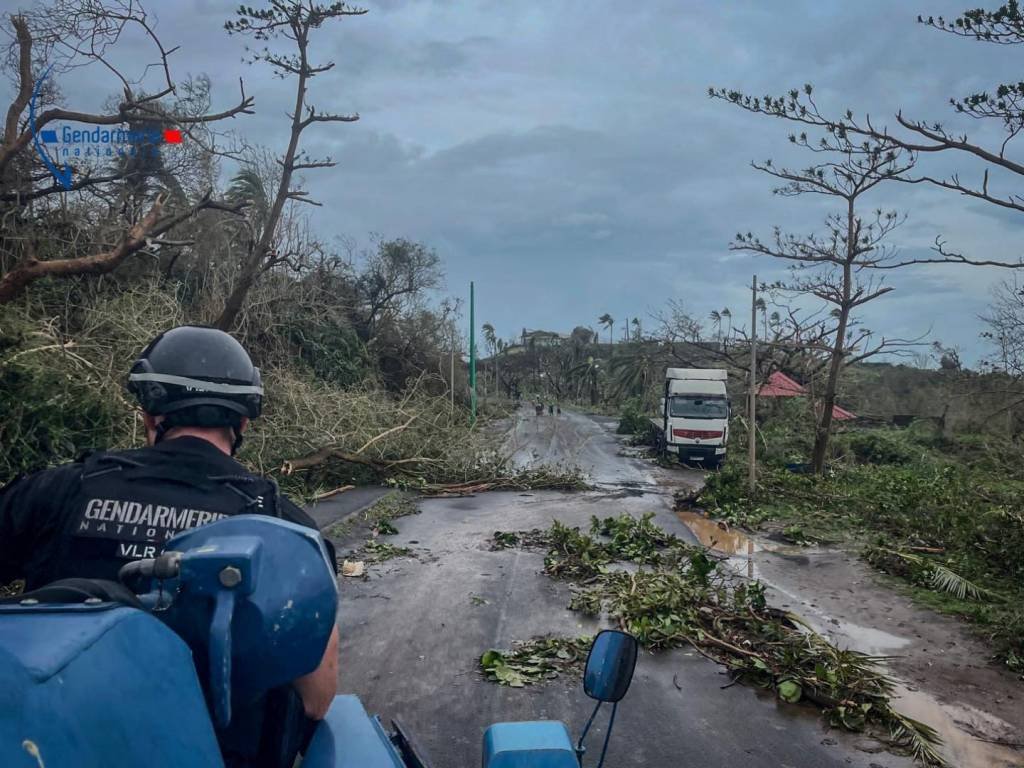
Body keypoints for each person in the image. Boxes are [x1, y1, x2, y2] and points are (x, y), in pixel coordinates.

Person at [0, 325, 338, 763]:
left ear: (149, 414)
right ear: (243, 422)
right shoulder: (282, 526)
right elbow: (317, 697)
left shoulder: (56, 492)